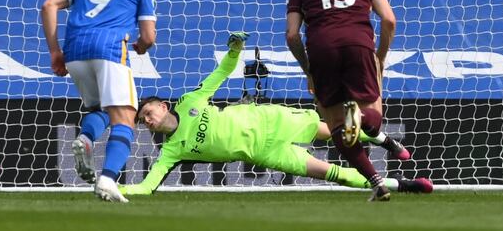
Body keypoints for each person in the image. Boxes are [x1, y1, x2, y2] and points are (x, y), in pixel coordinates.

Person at [119, 32, 432, 196]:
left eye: (147, 113)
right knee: (334, 174)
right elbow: (146, 187)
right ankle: (402, 185)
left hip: (272, 120)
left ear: (162, 106)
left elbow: (223, 71)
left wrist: (235, 48)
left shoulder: (190, 100)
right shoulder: (172, 151)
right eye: (144, 121)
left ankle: (386, 141)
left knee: (337, 131)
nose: (148, 121)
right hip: (265, 151)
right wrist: (112, 185)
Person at [41, 0, 157, 203]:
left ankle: (86, 137)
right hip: (110, 50)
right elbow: (149, 37)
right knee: (126, 116)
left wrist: (55, 52)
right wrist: (141, 46)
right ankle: (107, 178)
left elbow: (49, 5)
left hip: (75, 52)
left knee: (101, 109)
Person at [286, 0, 398, 201]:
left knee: (337, 125)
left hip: (321, 48)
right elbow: (389, 20)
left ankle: (376, 183)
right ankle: (360, 117)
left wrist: (308, 69)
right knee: (372, 116)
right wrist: (380, 58)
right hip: (358, 44)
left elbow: (291, 35)